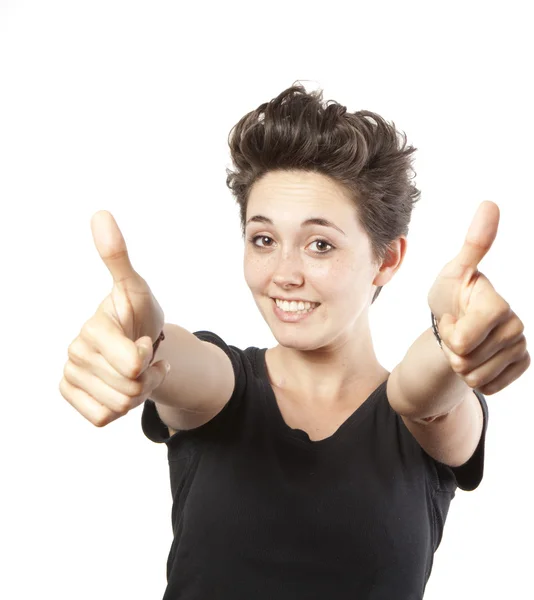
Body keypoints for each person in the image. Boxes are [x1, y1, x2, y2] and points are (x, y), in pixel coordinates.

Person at [60, 84, 492, 599]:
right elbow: (176, 362)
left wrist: (450, 335)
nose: (284, 273)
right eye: (263, 239)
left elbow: (422, 396)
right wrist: (140, 339)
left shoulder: (430, 413)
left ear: (388, 259)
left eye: (320, 244)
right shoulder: (224, 387)